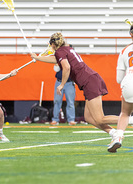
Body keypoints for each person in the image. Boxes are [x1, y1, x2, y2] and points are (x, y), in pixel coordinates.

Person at [30, 32, 133, 143]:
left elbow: (67, 67)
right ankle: (113, 133)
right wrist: (38, 58)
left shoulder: (60, 52)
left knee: (99, 118)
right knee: (89, 118)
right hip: (91, 80)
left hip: (90, 82)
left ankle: (129, 120)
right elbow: (56, 60)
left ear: (53, 45)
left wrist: (62, 84)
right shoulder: (66, 49)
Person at [108, 24, 133, 152]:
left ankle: (118, 138)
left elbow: (118, 78)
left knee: (124, 113)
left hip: (129, 80)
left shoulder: (125, 50)